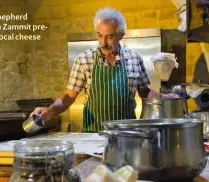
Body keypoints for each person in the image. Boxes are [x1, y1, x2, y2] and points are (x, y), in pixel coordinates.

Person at [31, 7, 176, 132]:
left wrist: (164, 98)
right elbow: (68, 96)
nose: (103, 43)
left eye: (109, 37)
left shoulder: (134, 58)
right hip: (94, 134)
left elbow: (144, 92)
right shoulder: (83, 60)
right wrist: (49, 112)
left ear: (121, 35)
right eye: (99, 36)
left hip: (127, 133)